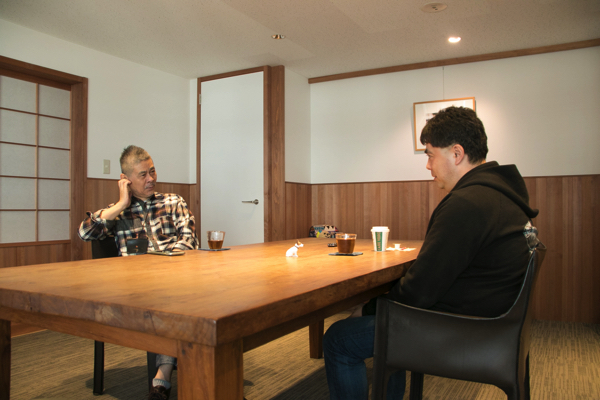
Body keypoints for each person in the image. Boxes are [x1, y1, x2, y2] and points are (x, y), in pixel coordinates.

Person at [323, 106, 540, 400]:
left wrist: (371, 308)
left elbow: (420, 291)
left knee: (338, 338)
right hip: (496, 323)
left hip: (466, 330)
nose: (427, 166)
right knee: (387, 312)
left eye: (430, 155)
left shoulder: (468, 204)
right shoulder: (501, 196)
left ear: (457, 153)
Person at [78, 145, 199, 400]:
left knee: (199, 298)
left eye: (152, 171)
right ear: (125, 179)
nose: (151, 179)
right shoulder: (116, 213)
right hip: (135, 289)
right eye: (143, 175)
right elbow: (85, 232)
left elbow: (189, 241)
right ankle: (206, 378)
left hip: (176, 281)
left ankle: (163, 377)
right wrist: (121, 204)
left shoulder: (173, 202)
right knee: (177, 303)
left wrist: (166, 267)